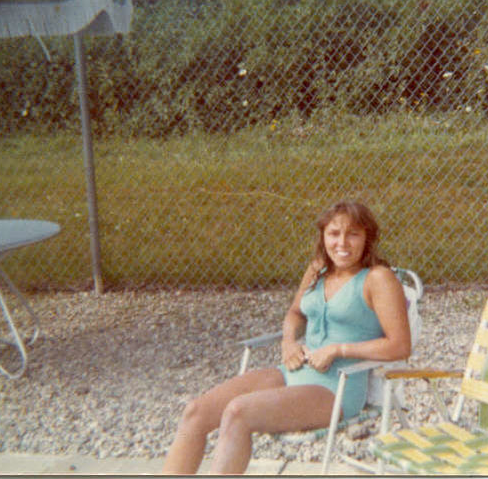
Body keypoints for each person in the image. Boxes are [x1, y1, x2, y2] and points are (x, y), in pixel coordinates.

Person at [161, 201, 411, 475]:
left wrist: (337, 349)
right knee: (195, 411)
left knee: (237, 412)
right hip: (292, 372)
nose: (342, 243)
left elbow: (399, 346)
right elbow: (295, 313)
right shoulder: (319, 269)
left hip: (335, 388)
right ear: (323, 236)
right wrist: (288, 342)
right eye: (334, 233)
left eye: (353, 234)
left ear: (367, 238)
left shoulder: (378, 279)